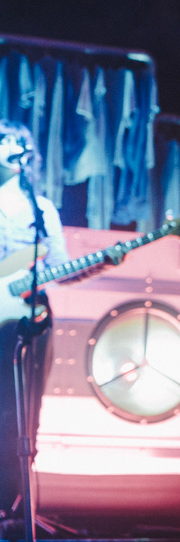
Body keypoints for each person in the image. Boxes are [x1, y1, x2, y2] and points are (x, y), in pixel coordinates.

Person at [0, 119, 70, 526]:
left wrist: (102, 261)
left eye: (17, 140)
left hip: (28, 320)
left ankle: (11, 508)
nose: (10, 144)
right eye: (2, 139)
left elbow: (59, 267)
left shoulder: (42, 210)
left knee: (23, 414)